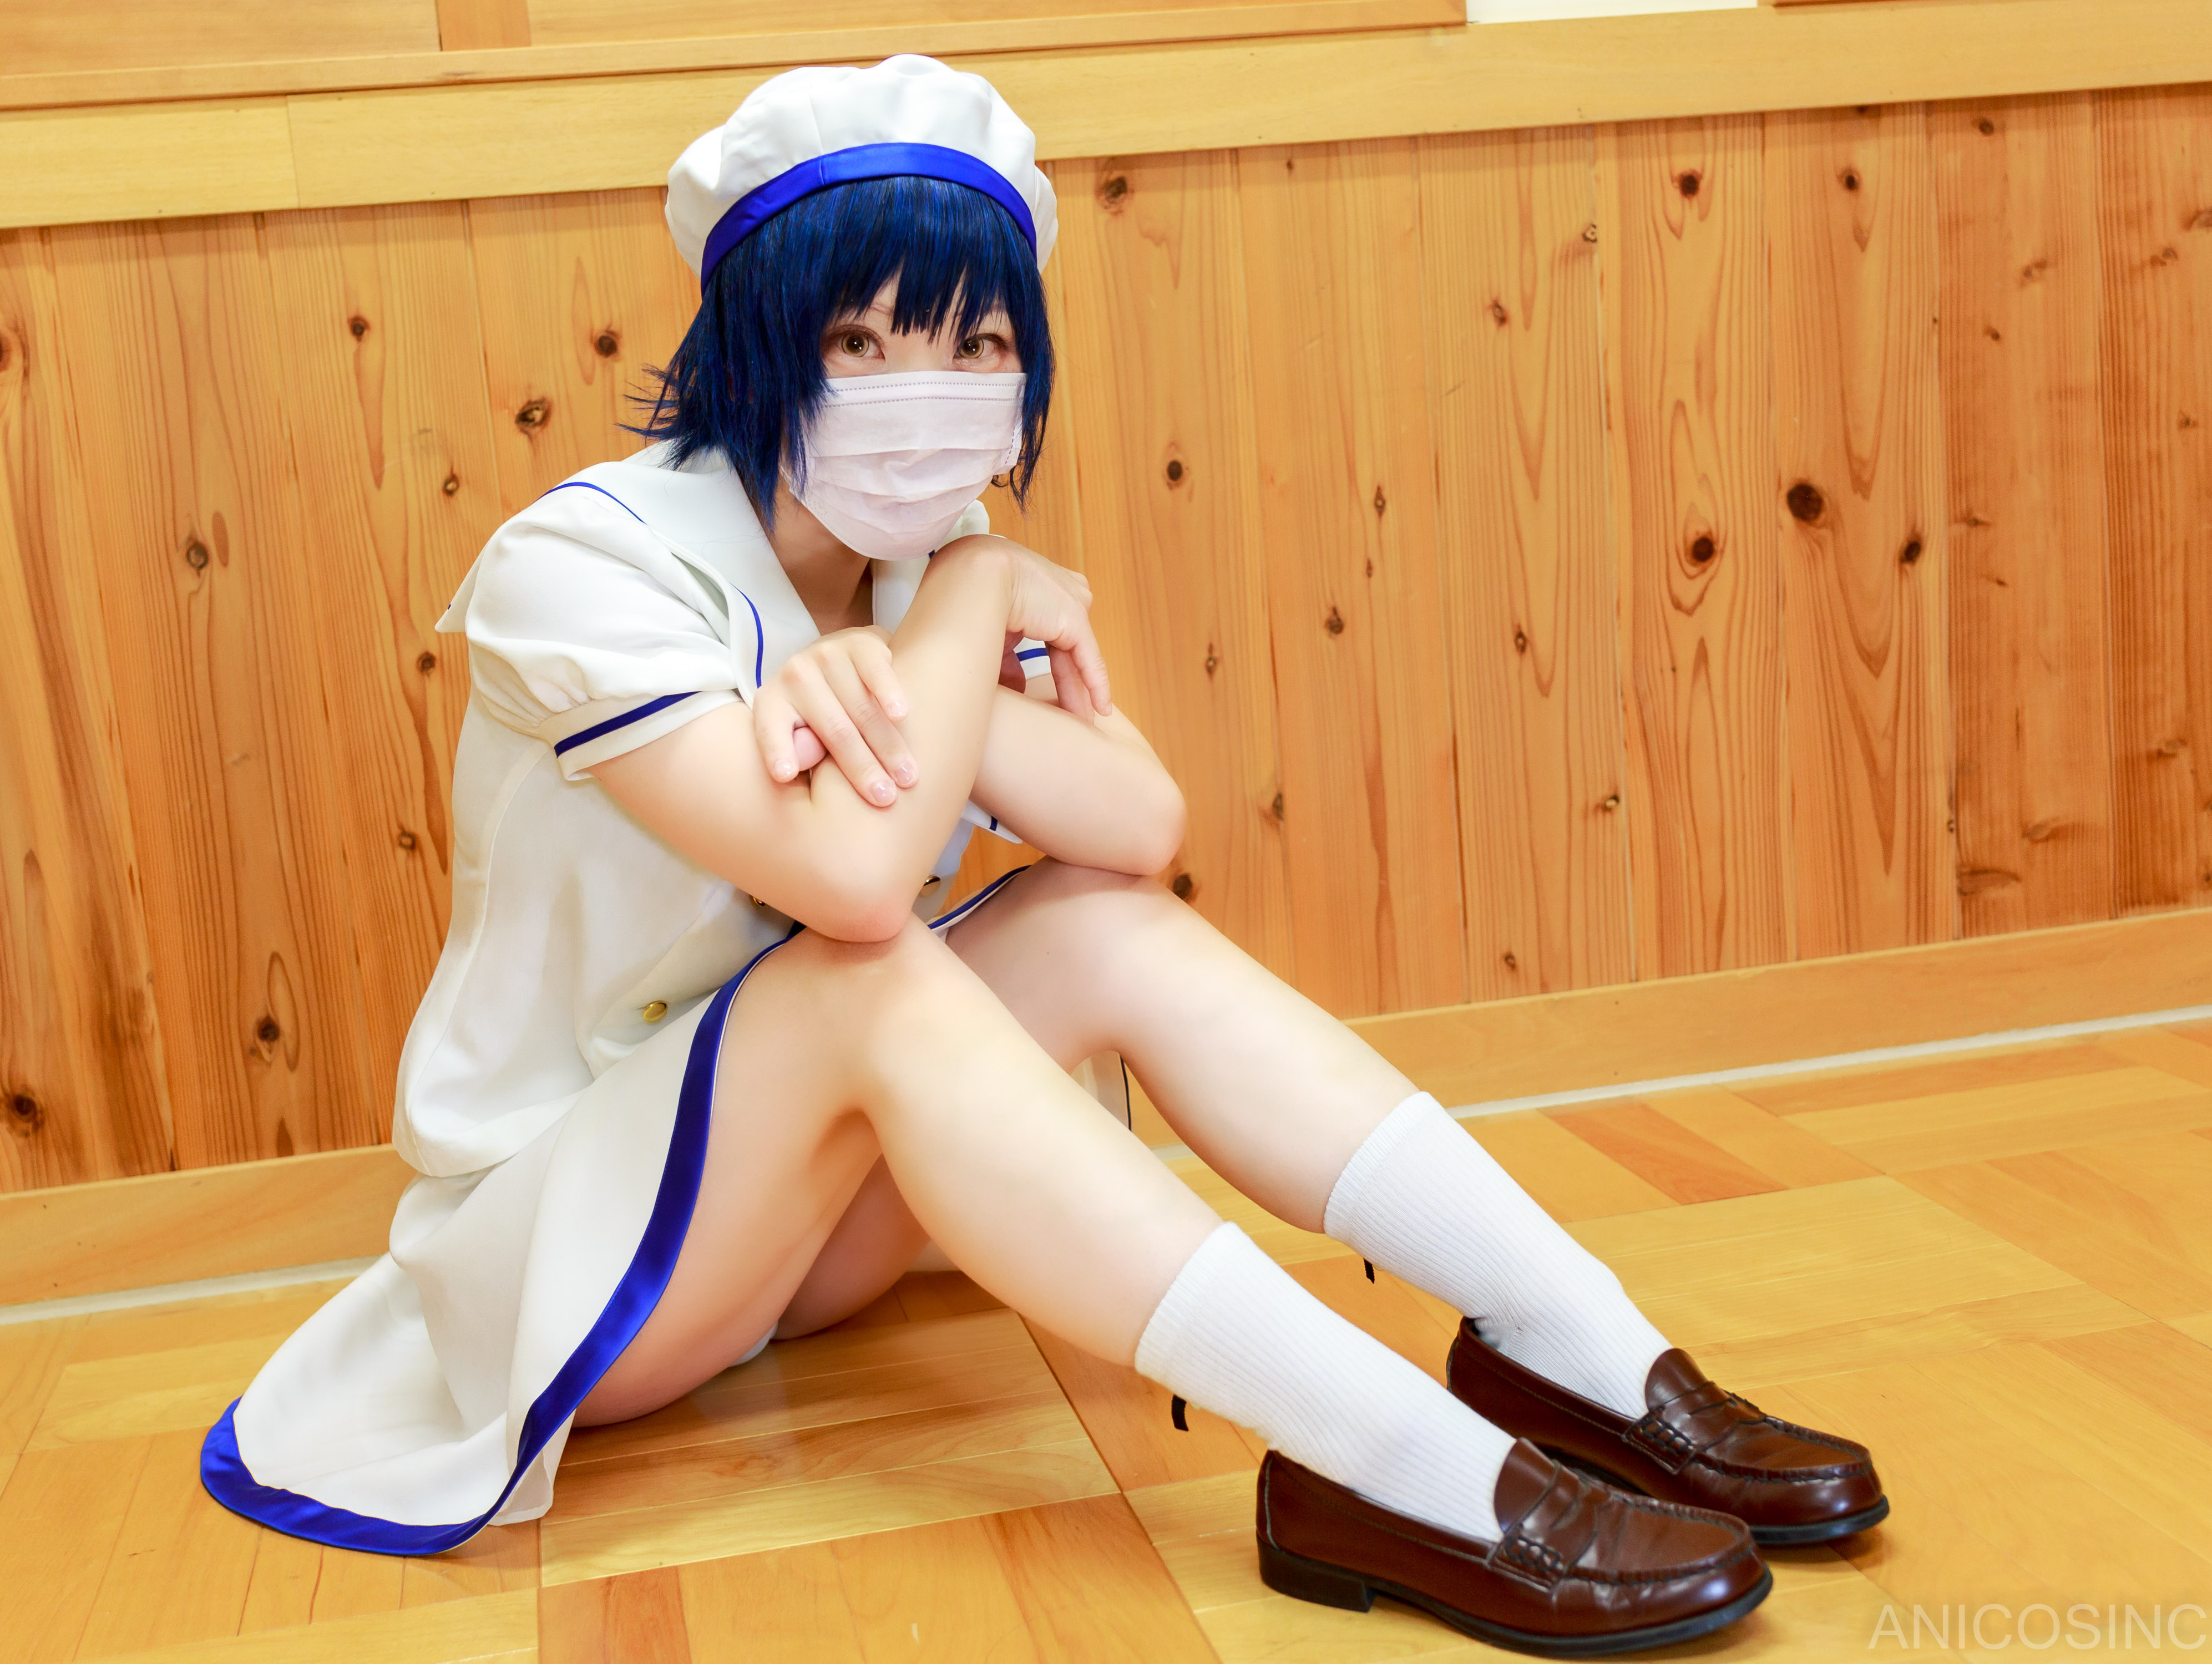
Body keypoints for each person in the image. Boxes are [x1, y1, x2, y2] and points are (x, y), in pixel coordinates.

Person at [201, 54, 1885, 1656]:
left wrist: (932, 619)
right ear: (756, 346)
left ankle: (1583, 1356)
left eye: (975, 340)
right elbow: (857, 888)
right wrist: (981, 599)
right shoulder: (583, 567)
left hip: (804, 1234)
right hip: (577, 1256)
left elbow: (1137, 831)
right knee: (873, 969)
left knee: (1097, 924)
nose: (921, 387)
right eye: (859, 338)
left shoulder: (919, 557)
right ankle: (1398, 1467)